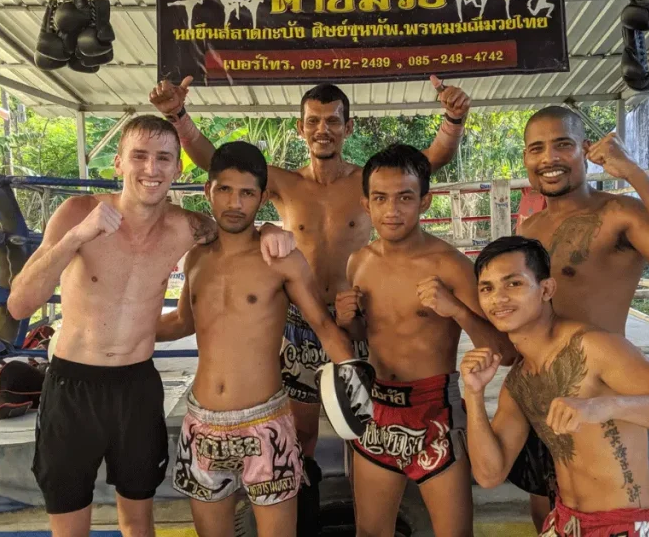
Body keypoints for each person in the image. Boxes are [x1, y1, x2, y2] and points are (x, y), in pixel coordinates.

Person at [149, 75, 472, 534]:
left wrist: (453, 122)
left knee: (365, 425)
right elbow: (217, 164)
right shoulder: (282, 183)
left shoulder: (367, 181)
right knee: (298, 435)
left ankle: (377, 509)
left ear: (348, 127)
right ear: (300, 128)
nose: (323, 129)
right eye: (314, 122)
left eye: (333, 121)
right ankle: (300, 518)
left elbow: (424, 164)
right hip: (297, 323)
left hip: (354, 319)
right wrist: (177, 118)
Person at [6, 116, 292, 537]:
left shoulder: (188, 227)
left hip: (136, 388)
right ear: (118, 162)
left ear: (178, 169)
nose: (151, 169)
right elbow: (19, 304)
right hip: (72, 385)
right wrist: (75, 238)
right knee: (68, 523)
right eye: (139, 156)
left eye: (163, 158)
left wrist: (272, 230)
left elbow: (237, 225)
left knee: (139, 522)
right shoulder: (78, 212)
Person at [510, 106, 649, 529]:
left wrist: (634, 173)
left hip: (599, 389)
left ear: (585, 151)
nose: (549, 158)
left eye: (562, 145)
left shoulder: (617, 213)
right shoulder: (528, 231)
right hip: (540, 395)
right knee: (548, 514)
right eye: (537, 149)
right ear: (526, 159)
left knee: (612, 513)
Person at [155, 141, 361, 536]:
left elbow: (322, 325)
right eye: (225, 190)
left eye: (247, 193)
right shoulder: (195, 256)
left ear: (263, 197)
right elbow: (184, 321)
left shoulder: (281, 258)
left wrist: (354, 379)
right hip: (203, 424)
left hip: (265, 422)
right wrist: (124, 331)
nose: (235, 203)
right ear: (207, 192)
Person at [463, 236, 649, 537]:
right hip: (565, 523)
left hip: (627, 525)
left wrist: (606, 406)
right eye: (487, 288)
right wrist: (474, 394)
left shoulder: (593, 347)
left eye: (513, 284)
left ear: (546, 289)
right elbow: (489, 474)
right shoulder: (519, 381)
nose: (499, 298)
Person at [335, 145, 514, 537]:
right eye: (380, 198)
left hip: (436, 411)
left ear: (425, 201)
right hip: (377, 408)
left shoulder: (450, 264)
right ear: (366, 203)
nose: (392, 210)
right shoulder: (358, 262)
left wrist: (458, 311)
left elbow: (507, 352)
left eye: (405, 198)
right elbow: (366, 337)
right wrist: (349, 322)